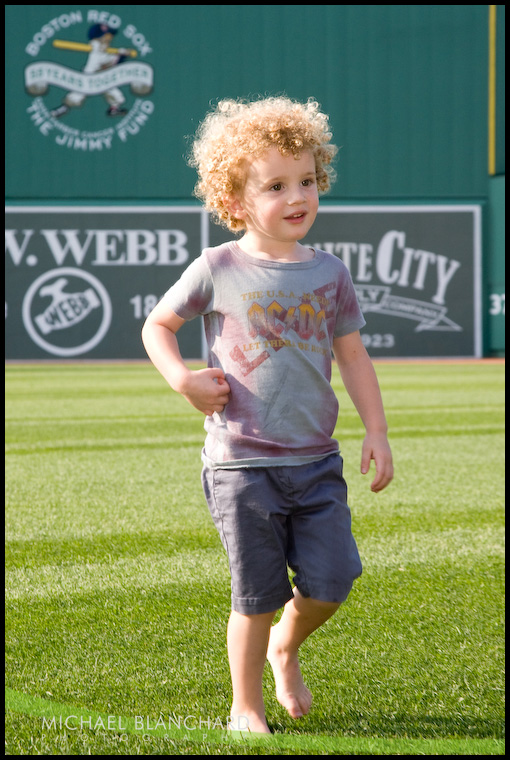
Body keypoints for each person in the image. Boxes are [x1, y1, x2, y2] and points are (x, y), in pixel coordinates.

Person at [141, 96, 393, 735]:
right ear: (235, 200)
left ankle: (288, 645)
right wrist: (182, 379)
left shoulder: (330, 273)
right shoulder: (218, 267)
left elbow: (354, 354)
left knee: (334, 581)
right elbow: (159, 324)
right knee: (255, 596)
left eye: (306, 181)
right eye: (276, 185)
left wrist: (378, 431)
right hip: (241, 463)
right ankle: (245, 706)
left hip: (317, 462)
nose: (297, 196)